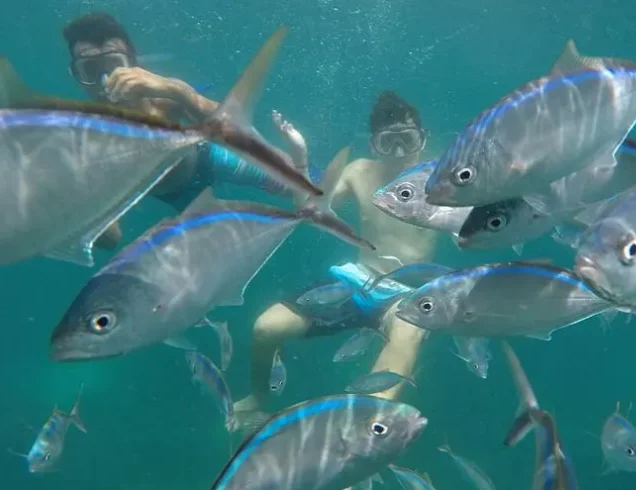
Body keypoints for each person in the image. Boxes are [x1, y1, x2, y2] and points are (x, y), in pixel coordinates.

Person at [233, 91, 438, 423]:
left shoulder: (440, 177)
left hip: (408, 292)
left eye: (408, 140)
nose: (400, 152)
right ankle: (259, 399)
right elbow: (310, 209)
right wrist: (299, 156)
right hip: (355, 282)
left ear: (423, 139)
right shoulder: (358, 172)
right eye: (389, 142)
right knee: (265, 328)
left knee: (407, 335)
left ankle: (366, 430)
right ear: (374, 145)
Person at [61, 12, 310, 249]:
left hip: (208, 157)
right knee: (221, 247)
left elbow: (242, 132)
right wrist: (71, 191)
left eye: (114, 64)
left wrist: (181, 93)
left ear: (133, 63)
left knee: (296, 185)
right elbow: (111, 239)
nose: (105, 79)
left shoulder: (163, 95)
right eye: (90, 70)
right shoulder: (91, 139)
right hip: (176, 195)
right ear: (76, 76)